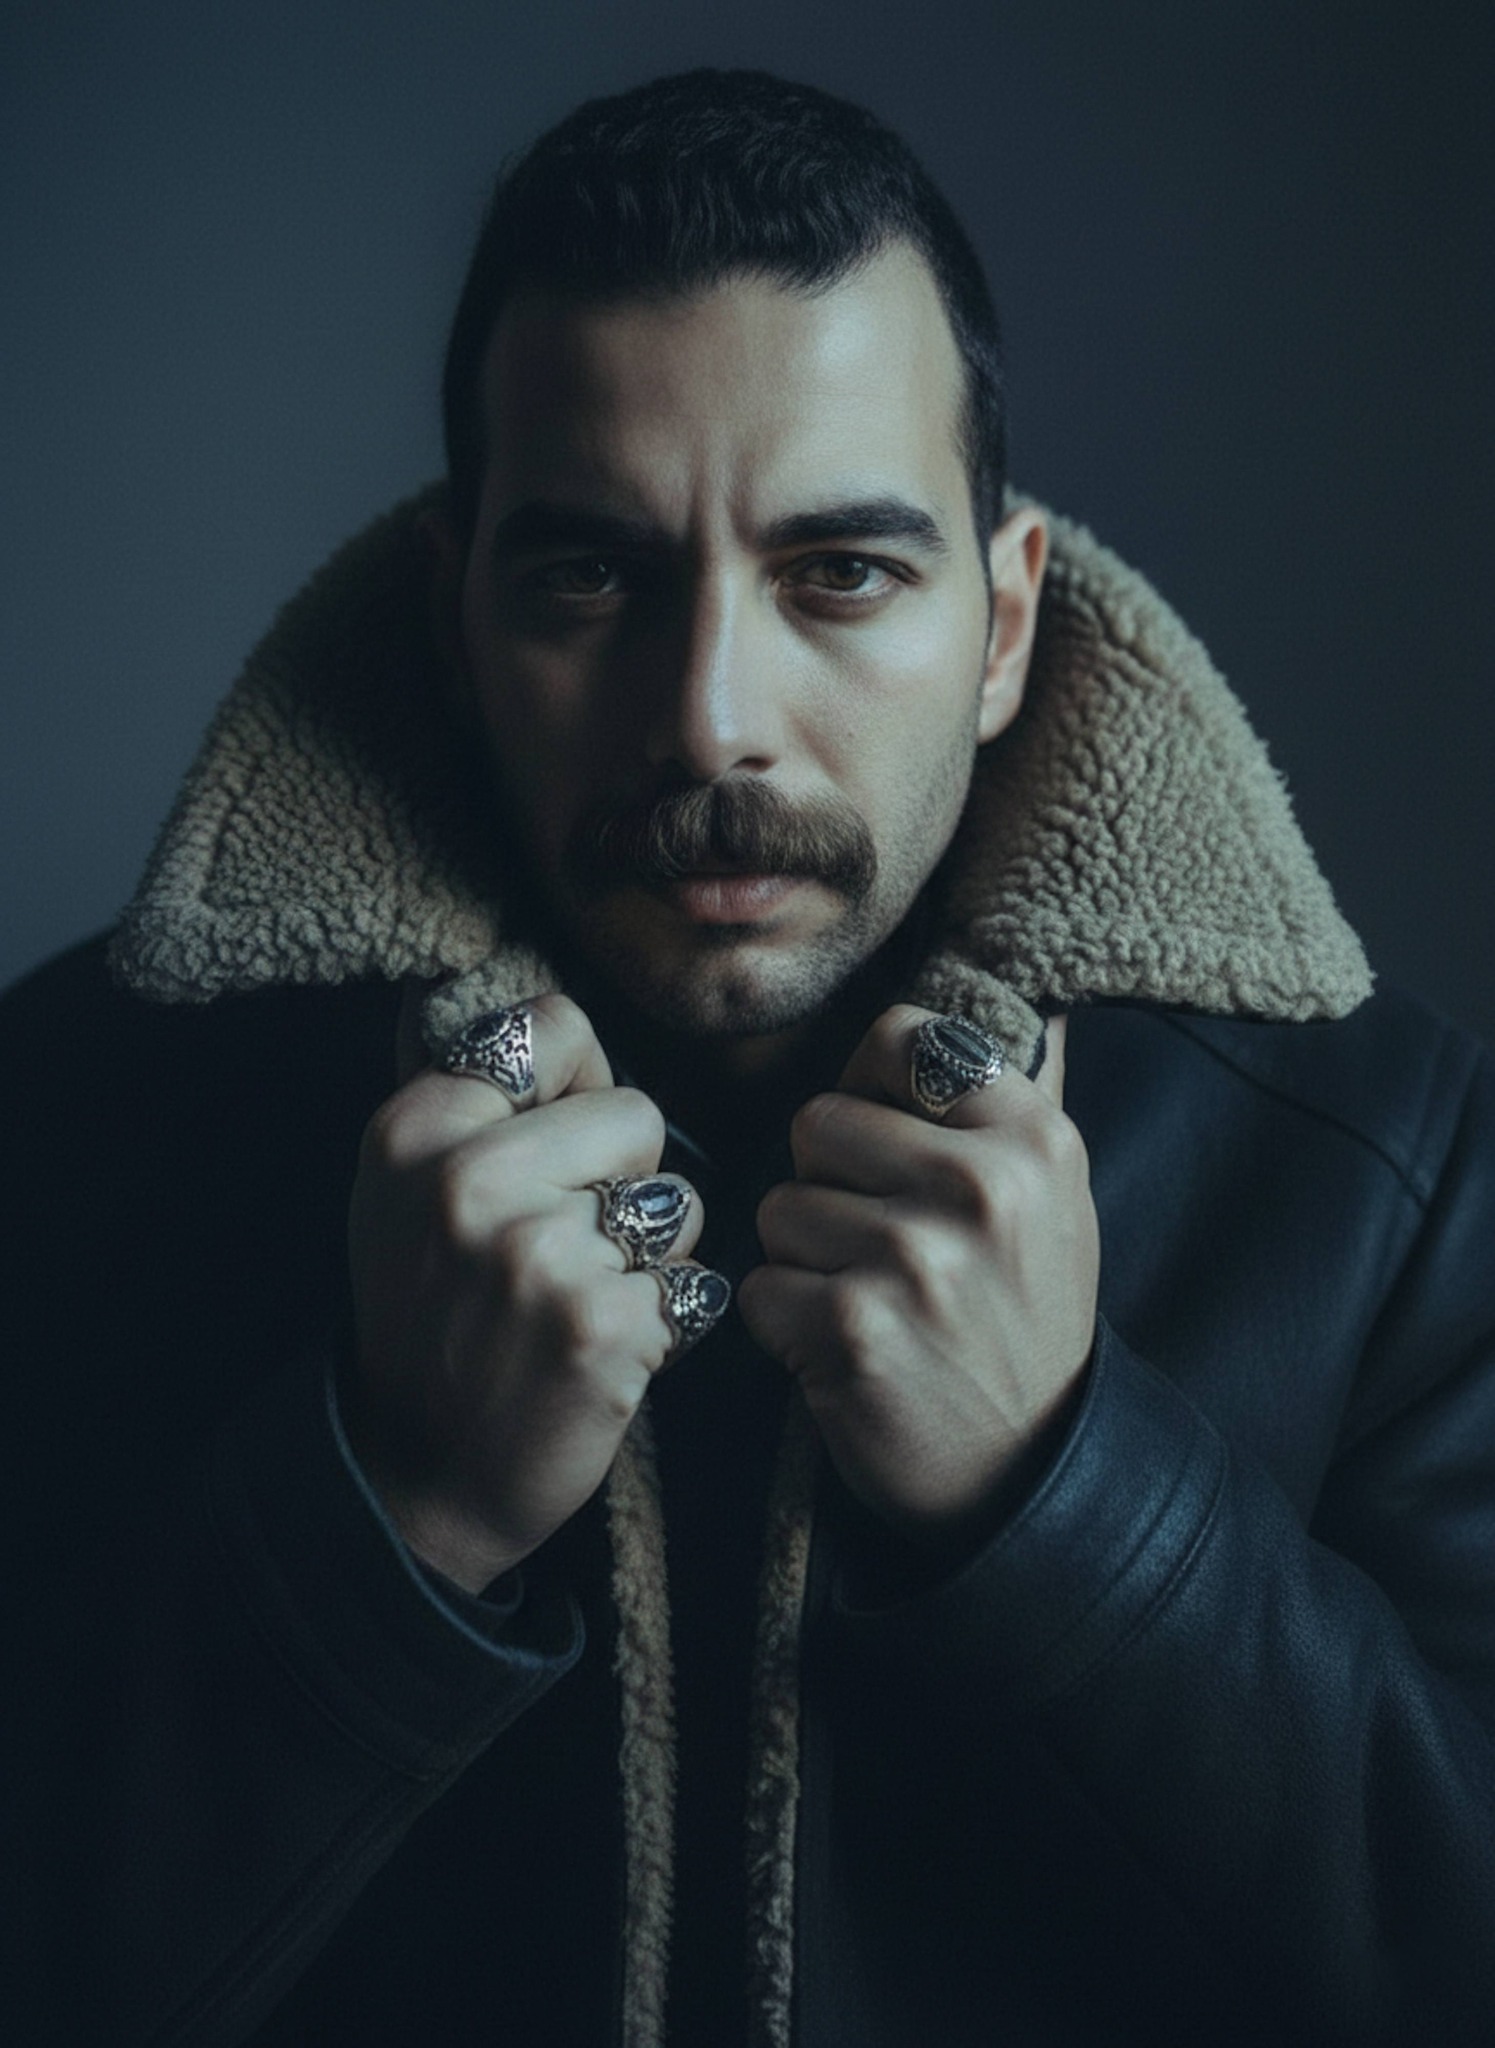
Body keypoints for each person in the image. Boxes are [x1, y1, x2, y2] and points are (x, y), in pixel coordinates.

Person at [3, 67, 1492, 2048]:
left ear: (1001, 621)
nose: (709, 718)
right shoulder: (72, 1117)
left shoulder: (1382, 1164)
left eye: (841, 571)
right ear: (456, 616)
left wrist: (1067, 1493)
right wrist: (398, 1519)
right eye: (590, 574)